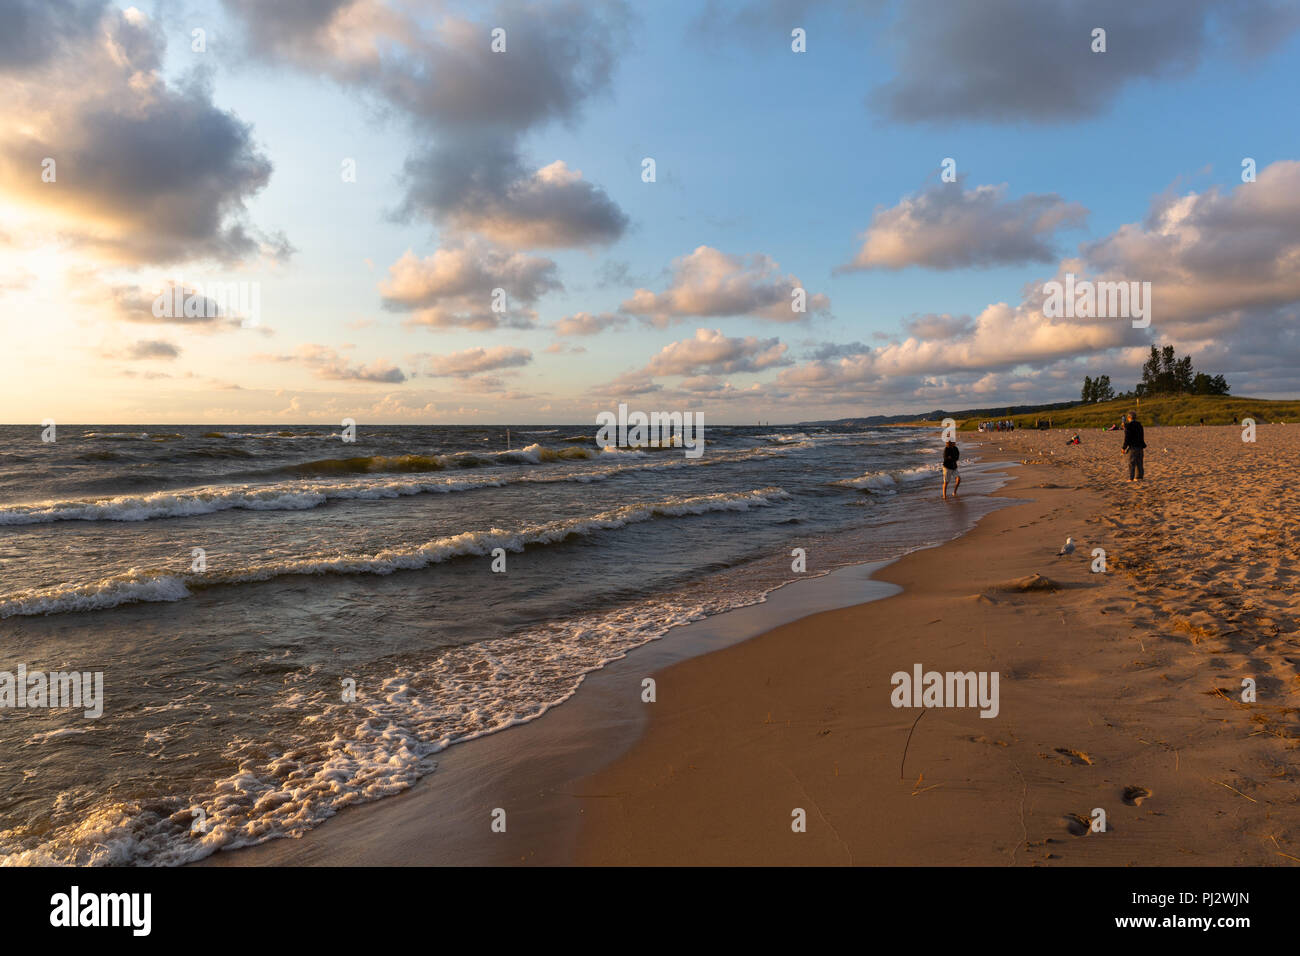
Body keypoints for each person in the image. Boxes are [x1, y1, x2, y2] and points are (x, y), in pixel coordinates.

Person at [1121, 411, 1146, 480]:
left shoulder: (1128, 426)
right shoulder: (1139, 425)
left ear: (1129, 418)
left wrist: (1124, 447)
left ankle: (1131, 478)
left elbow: (1127, 438)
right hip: (1140, 447)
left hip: (1133, 447)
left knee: (1131, 463)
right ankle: (1139, 477)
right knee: (1139, 463)